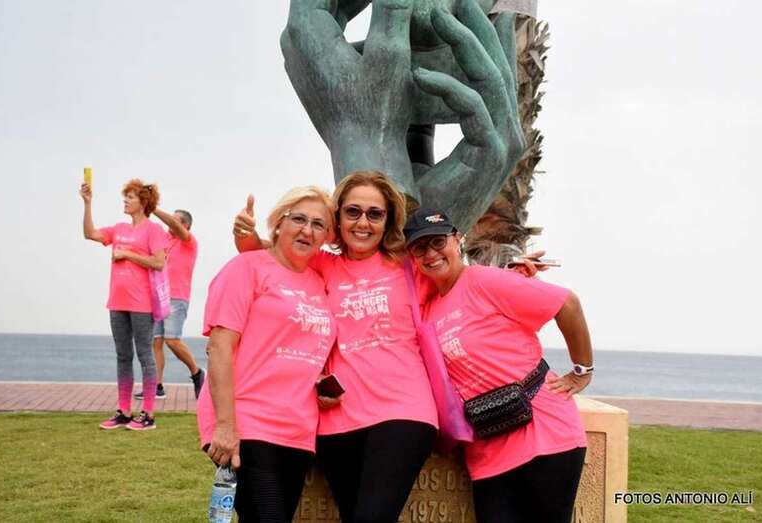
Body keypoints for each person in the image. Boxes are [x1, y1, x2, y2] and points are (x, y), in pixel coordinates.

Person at [234, 171, 440, 523]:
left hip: (403, 411)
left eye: (375, 214)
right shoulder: (322, 265)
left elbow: (457, 281)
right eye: (353, 212)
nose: (363, 223)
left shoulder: (409, 266)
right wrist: (244, 233)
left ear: (388, 220)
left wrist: (516, 274)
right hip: (336, 420)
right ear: (338, 218)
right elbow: (268, 254)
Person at [403, 207, 593, 523]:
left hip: (543, 434)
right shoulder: (429, 308)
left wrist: (582, 370)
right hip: (487, 449)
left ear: (457, 239)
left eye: (438, 242)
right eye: (420, 247)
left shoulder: (484, 279)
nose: (431, 253)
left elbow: (567, 304)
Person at [198, 186, 338, 522]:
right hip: (246, 421)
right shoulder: (246, 268)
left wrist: (323, 382)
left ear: (327, 236)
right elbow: (219, 347)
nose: (307, 230)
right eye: (299, 219)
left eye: (318, 224)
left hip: (298, 428)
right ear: (278, 223)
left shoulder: (319, 282)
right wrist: (226, 426)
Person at [80, 179, 167, 431]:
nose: (126, 200)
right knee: (123, 356)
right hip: (117, 302)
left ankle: (148, 414)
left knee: (144, 355)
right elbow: (89, 233)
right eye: (125, 196)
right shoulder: (119, 228)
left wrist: (127, 254)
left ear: (143, 202)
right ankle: (124, 411)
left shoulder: (154, 230)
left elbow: (159, 262)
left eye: (130, 197)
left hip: (142, 303)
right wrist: (87, 203)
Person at [133, 207, 204, 400]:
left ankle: (197, 373)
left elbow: (171, 224)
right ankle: (156, 387)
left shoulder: (189, 241)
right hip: (159, 297)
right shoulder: (166, 240)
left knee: (172, 340)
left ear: (185, 225)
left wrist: (153, 208)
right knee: (156, 342)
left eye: (175, 220)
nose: (169, 223)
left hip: (177, 298)